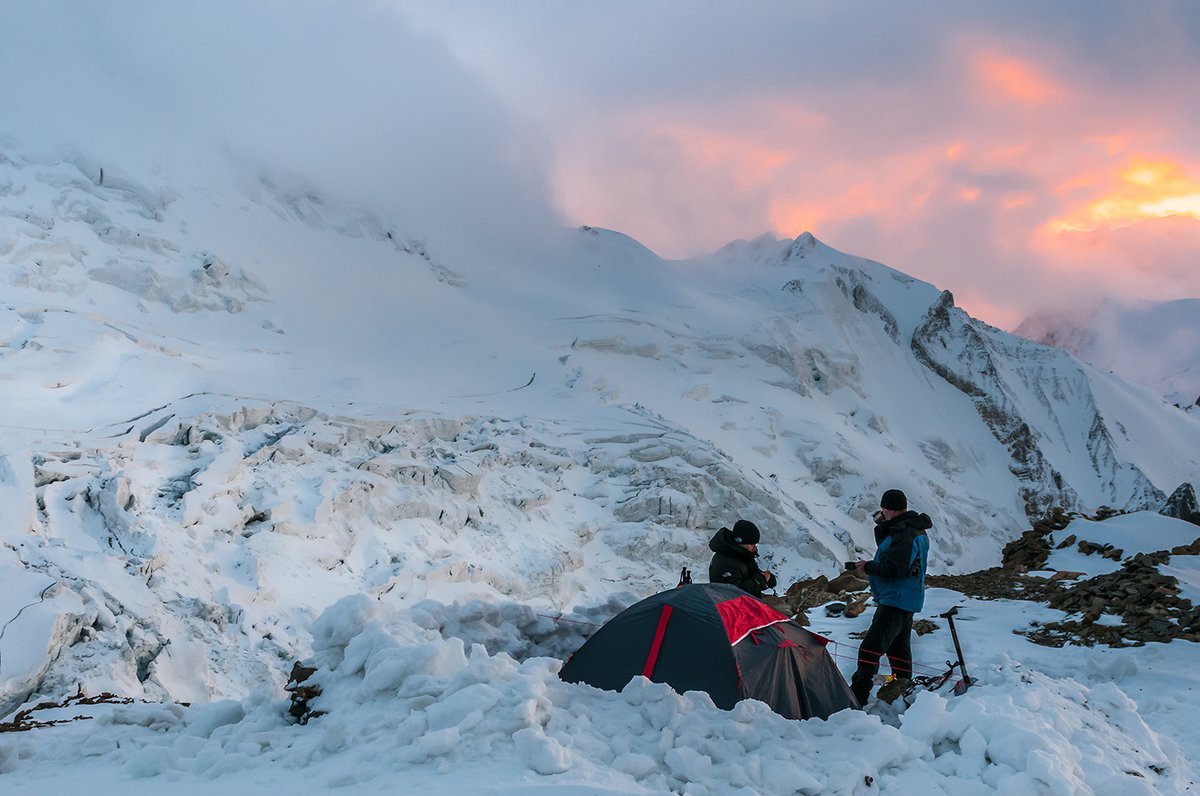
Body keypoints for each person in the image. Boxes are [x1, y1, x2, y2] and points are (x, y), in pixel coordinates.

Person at [848, 489, 931, 706]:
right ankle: (902, 690)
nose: (882, 513)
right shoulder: (913, 529)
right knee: (898, 650)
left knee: (870, 649)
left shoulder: (904, 533)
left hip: (896, 599)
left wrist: (867, 567)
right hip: (905, 597)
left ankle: (856, 697)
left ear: (889, 509)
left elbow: (895, 568)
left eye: (884, 509)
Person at [708, 519, 777, 598]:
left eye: (755, 544)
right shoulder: (723, 562)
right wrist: (760, 581)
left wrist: (767, 579)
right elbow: (732, 593)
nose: (755, 547)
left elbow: (753, 574)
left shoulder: (743, 555)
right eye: (751, 544)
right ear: (739, 541)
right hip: (728, 608)